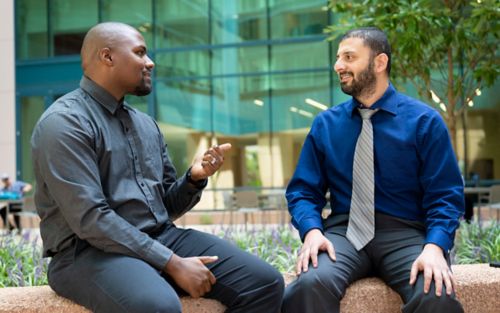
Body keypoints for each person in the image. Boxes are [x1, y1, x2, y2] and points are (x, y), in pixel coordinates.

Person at [31, 22, 283, 313]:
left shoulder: (145, 125)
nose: (150, 62)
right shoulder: (64, 123)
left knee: (265, 283)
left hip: (158, 238)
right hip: (87, 253)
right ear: (107, 57)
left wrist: (193, 179)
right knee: (157, 306)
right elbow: (90, 220)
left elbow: (163, 207)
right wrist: (172, 263)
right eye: (140, 53)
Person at [282, 27, 464, 313]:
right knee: (308, 284)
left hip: (406, 233)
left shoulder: (424, 122)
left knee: (436, 294)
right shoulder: (325, 125)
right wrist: (312, 231)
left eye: (349, 57)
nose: (338, 65)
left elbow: (446, 194)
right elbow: (303, 190)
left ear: (379, 63)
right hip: (343, 233)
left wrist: (435, 247)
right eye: (338, 57)